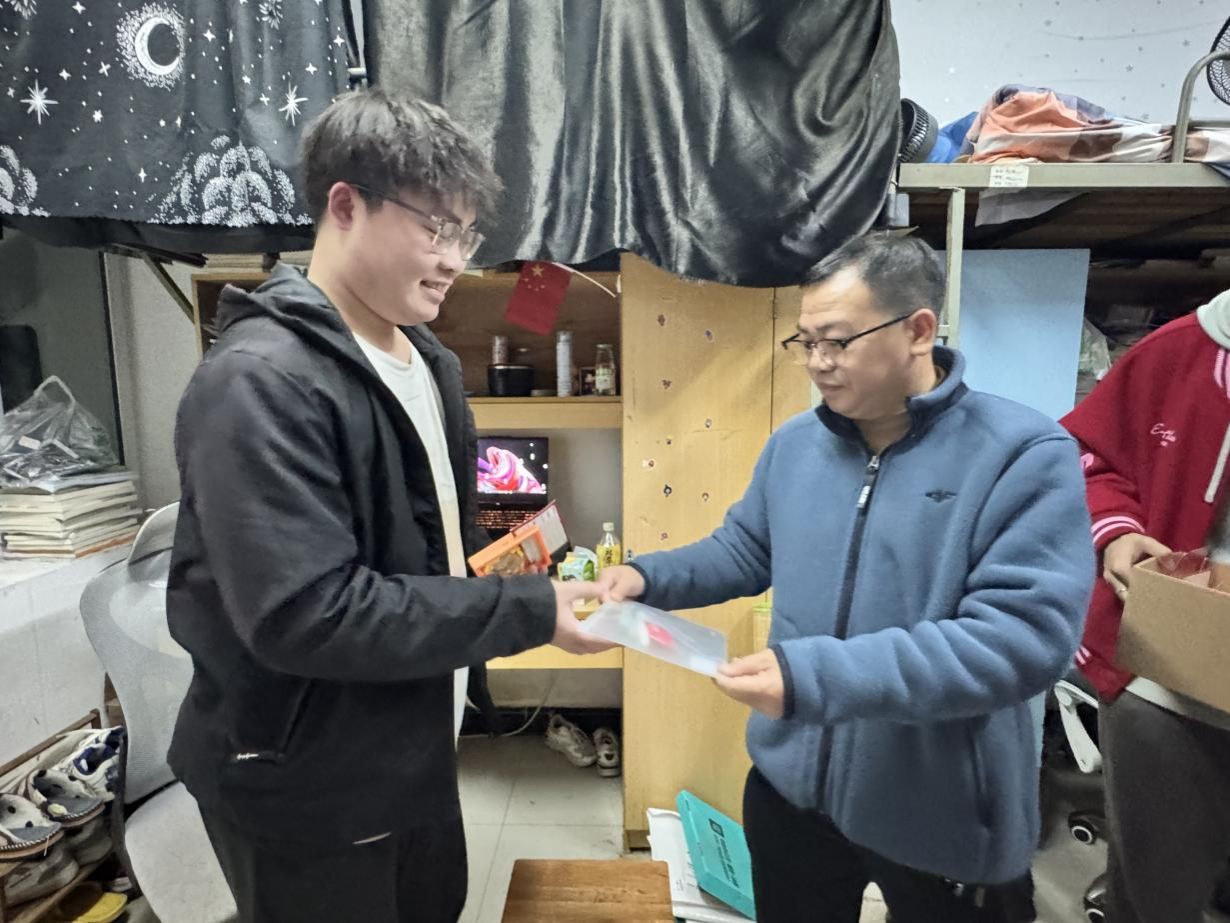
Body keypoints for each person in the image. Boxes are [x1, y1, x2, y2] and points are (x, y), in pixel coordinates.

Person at [165, 88, 610, 923]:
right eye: (435, 227)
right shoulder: (258, 383)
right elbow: (308, 613)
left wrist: (526, 572)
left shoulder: (427, 361)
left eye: (466, 235)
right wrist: (529, 611)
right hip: (306, 786)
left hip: (412, 748)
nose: (454, 259)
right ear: (345, 205)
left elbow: (426, 552)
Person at [597, 234, 1096, 923]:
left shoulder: (1021, 454)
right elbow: (744, 549)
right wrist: (643, 577)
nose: (818, 364)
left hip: (939, 808)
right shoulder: (796, 445)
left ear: (918, 330)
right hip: (792, 790)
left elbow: (1020, 642)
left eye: (837, 342)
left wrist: (811, 677)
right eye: (805, 343)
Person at [1061, 292, 1230, 923]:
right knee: (1156, 891)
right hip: (1163, 676)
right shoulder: (1180, 353)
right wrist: (1117, 530)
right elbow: (1084, 456)